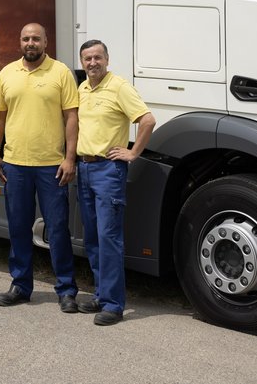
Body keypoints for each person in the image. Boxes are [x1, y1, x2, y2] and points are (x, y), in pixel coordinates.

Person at [0, 23, 80, 313]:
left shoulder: (60, 72)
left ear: (45, 42)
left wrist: (70, 158)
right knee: (18, 227)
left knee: (57, 229)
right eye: (26, 38)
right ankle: (20, 285)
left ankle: (66, 290)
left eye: (36, 39)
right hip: (15, 164)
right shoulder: (8, 73)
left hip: (51, 166)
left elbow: (71, 117)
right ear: (20, 42)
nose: (30, 43)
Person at [75, 39, 155, 325]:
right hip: (84, 168)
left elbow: (147, 120)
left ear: (107, 60)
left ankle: (113, 304)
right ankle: (100, 294)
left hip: (108, 170)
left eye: (98, 57)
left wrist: (133, 153)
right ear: (82, 62)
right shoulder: (83, 89)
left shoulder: (119, 86)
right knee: (93, 238)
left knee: (109, 238)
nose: (92, 63)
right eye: (87, 58)